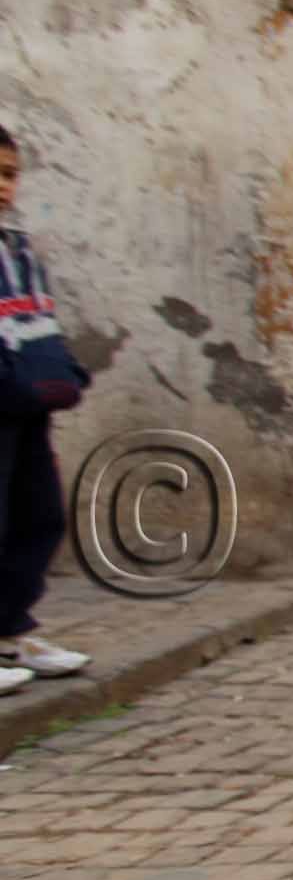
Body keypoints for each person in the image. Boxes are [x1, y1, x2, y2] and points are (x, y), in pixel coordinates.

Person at [0, 126, 90, 696]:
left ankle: (9, 631)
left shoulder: (19, 250)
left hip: (25, 406)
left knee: (38, 515)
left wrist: (65, 372)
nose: (2, 186)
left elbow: (37, 320)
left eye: (9, 174)